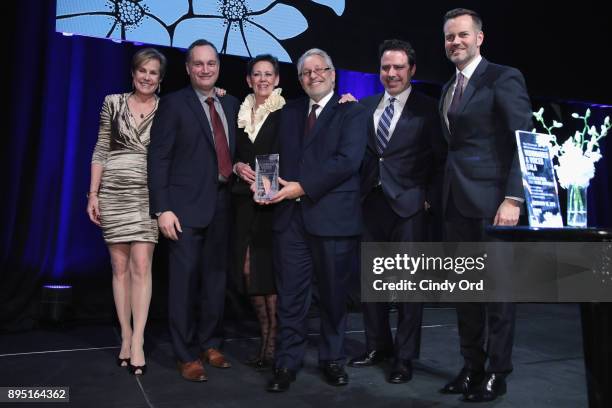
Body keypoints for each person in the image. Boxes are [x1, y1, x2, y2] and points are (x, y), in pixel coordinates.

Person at [439, 8, 532, 402]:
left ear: (479, 38)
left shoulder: (503, 77)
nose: (455, 42)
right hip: (455, 206)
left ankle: (497, 372)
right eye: (449, 37)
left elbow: (523, 137)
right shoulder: (447, 88)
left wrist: (513, 198)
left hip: (494, 206)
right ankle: (472, 366)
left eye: (462, 35)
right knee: (466, 293)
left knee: (496, 296)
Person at [263, 48, 368, 393]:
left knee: (334, 297)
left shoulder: (352, 112)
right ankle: (286, 362)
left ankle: (332, 359)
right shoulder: (288, 111)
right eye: (306, 72)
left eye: (320, 70)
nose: (314, 76)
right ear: (300, 79)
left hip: (334, 220)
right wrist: (262, 183)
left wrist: (302, 188)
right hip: (290, 222)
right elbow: (272, 156)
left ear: (333, 74)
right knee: (291, 297)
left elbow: (347, 161)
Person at [348, 39, 446, 384]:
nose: (391, 74)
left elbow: (440, 160)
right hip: (370, 204)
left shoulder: (428, 109)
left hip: (409, 207)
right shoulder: (365, 105)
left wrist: (428, 199)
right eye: (386, 68)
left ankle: (404, 358)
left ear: (412, 70)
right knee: (371, 284)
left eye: (399, 68)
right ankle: (377, 346)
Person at [147, 39, 240, 382]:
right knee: (183, 285)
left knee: (216, 280)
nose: (205, 69)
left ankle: (210, 343)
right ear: (187, 68)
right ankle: (185, 354)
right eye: (198, 64)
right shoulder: (172, 105)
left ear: (218, 67)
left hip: (222, 203)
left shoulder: (230, 103)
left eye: (211, 63)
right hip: (183, 210)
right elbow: (158, 159)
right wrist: (163, 209)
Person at [87, 47, 167, 376]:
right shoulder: (112, 102)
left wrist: (216, 91)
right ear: (133, 74)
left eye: (154, 73)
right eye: (142, 71)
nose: (147, 77)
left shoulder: (167, 109)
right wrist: (93, 194)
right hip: (113, 193)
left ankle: (138, 341)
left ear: (160, 80)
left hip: (148, 193)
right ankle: (125, 334)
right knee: (118, 266)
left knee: (142, 265)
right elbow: (101, 147)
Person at [231, 54, 285, 370]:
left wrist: (264, 187)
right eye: (257, 74)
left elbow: (283, 152)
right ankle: (264, 334)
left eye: (268, 74)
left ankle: (272, 342)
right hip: (241, 202)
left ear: (277, 79)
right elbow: (235, 153)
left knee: (267, 272)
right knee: (248, 271)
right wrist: (237, 166)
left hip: (270, 202)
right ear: (249, 79)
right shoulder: (238, 109)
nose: (263, 79)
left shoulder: (284, 110)